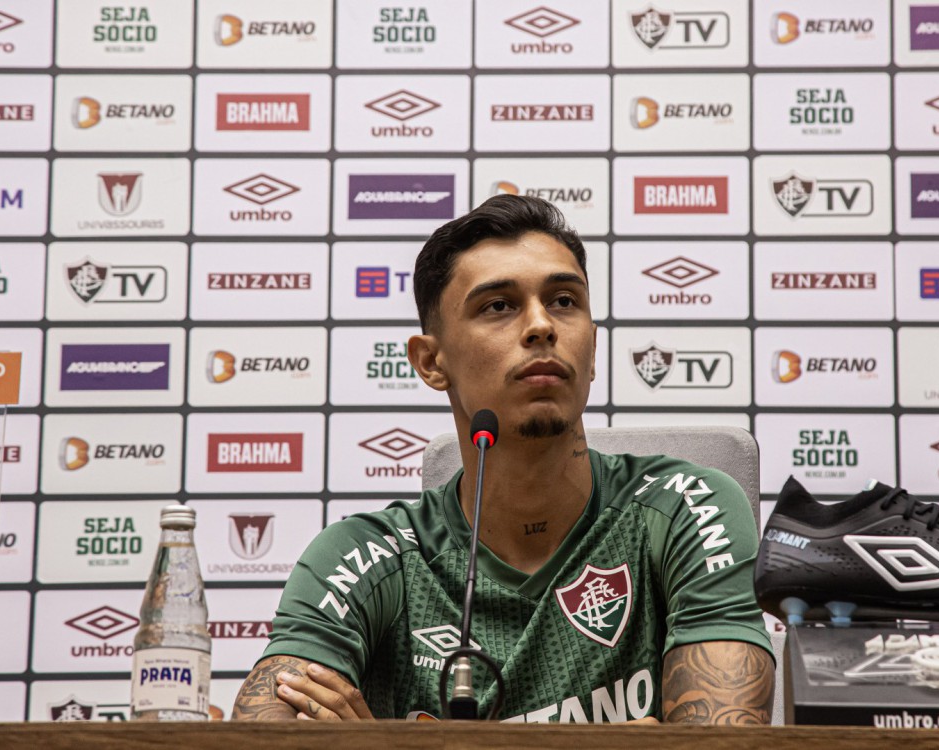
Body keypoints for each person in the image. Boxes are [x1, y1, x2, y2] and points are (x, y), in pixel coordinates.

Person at [232, 195, 774, 723]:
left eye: (564, 300)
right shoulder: (368, 555)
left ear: (592, 350)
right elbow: (262, 732)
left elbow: (726, 740)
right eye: (499, 306)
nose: (542, 325)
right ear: (431, 361)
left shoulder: (689, 509)